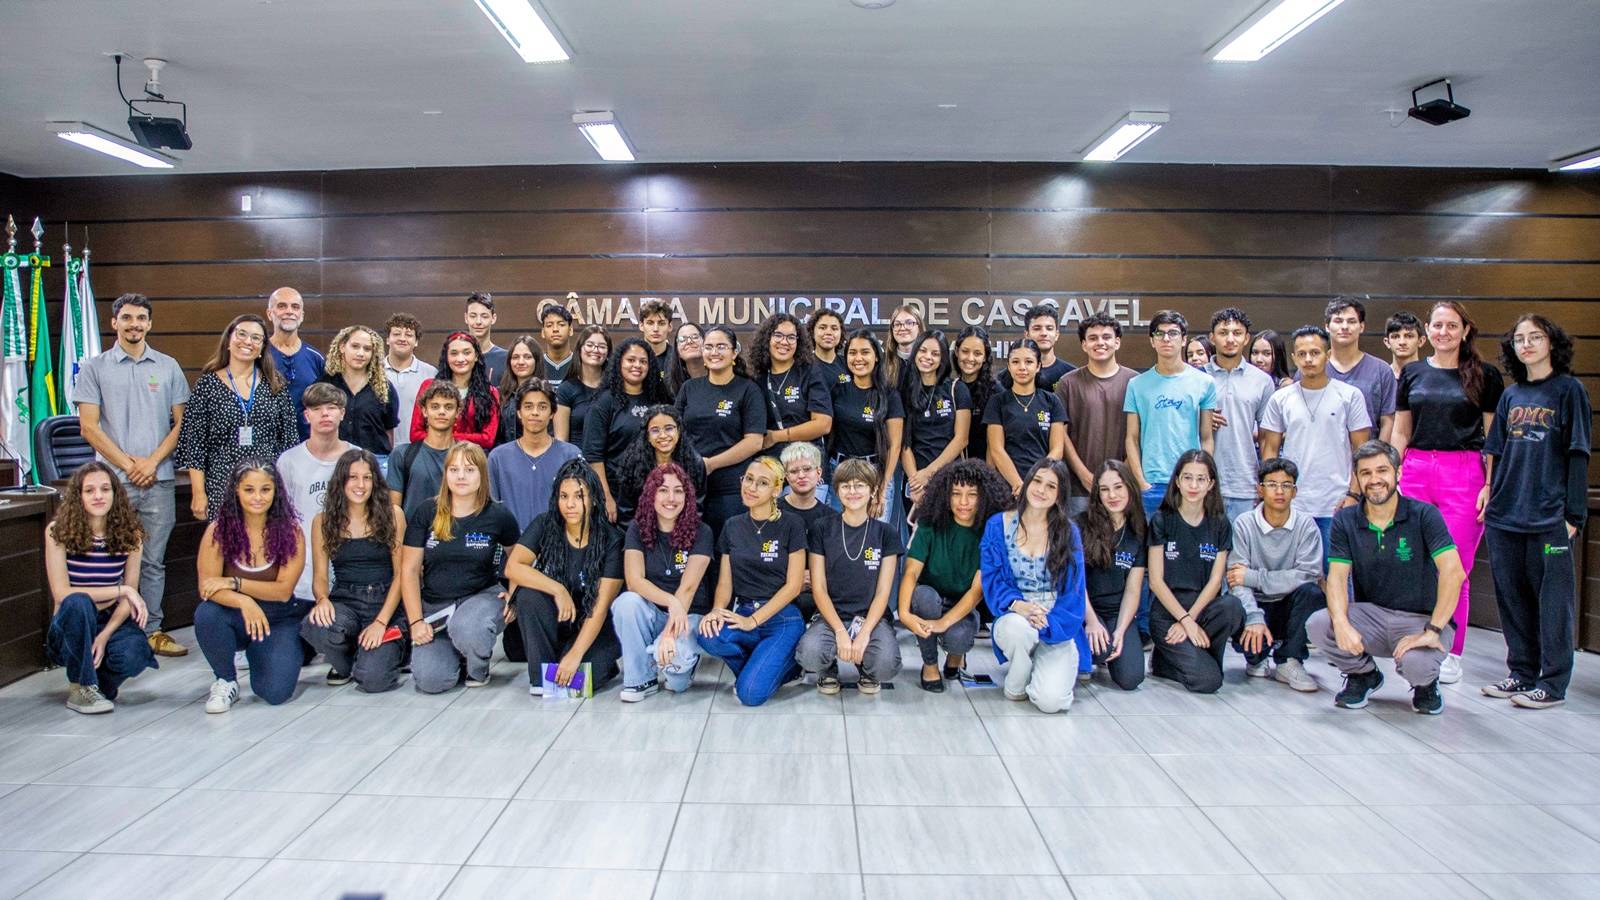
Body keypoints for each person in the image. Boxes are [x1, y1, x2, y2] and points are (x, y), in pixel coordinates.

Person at [1307, 441, 1467, 715]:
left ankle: (1426, 685)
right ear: (1356, 478)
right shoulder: (1346, 520)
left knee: (1418, 666)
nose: (1374, 480)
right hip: (1372, 615)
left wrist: (1433, 630)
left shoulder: (1424, 515)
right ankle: (1363, 675)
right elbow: (1336, 578)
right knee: (1319, 624)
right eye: (1365, 473)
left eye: (1382, 470)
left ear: (1398, 473)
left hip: (1420, 619)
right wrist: (1342, 623)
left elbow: (1454, 572)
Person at [1481, 315, 1591, 708]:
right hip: (1505, 516)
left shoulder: (1569, 391)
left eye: (1535, 337)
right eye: (1520, 339)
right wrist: (1490, 494)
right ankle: (1521, 673)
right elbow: (1496, 451)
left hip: (1550, 521)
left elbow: (1578, 452)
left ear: (1551, 343)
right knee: (1512, 598)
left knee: (1553, 601)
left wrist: (1573, 516)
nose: (1526, 344)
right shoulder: (1511, 395)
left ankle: (1553, 683)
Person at [1391, 301, 1504, 683]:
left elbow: (1493, 437)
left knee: (1455, 567)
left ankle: (1452, 650)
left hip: (1465, 472)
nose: (1444, 332)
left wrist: (1490, 483)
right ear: (1428, 329)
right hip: (1418, 468)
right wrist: (1394, 470)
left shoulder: (1485, 376)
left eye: (1451, 325)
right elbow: (1401, 430)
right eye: (1437, 325)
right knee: (1416, 562)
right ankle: (1416, 639)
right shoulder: (1413, 372)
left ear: (1465, 330)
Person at [72, 292, 189, 657]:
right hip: (110, 486)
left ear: (150, 323)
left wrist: (151, 463)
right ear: (114, 323)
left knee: (153, 559)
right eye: (127, 318)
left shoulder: (168, 366)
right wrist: (128, 465)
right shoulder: (94, 368)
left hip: (159, 479)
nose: (134, 324)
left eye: (141, 318)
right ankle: (112, 632)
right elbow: (89, 428)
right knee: (107, 558)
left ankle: (151, 630)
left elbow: (182, 425)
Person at [400, 442, 521, 693]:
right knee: (431, 681)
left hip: (482, 598)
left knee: (467, 628)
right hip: (436, 607)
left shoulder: (498, 514)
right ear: (446, 475)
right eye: (454, 470)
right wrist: (416, 622)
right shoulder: (427, 512)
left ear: (482, 475)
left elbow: (520, 559)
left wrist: (514, 594)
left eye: (469, 469)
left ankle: (477, 667)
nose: (461, 476)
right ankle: (458, 654)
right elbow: (409, 571)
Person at [193, 462, 311, 712]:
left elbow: (282, 591)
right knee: (207, 613)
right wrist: (244, 600)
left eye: (265, 489)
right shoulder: (218, 531)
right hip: (236, 614)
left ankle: (267, 651)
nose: (258, 497)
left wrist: (235, 583)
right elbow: (208, 587)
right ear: (236, 490)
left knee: (275, 692)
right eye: (249, 490)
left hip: (277, 617)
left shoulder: (291, 532)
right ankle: (225, 680)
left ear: (276, 491)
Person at [44, 462, 158, 714]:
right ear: (78, 496)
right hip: (70, 621)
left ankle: (98, 687)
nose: (98, 496)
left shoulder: (131, 534)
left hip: (107, 618)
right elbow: (62, 594)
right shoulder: (57, 532)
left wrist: (105, 635)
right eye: (90, 490)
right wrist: (123, 591)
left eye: (105, 489)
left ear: (115, 494)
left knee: (137, 652)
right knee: (79, 601)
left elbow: (130, 598)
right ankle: (81, 687)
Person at [505, 459, 625, 694]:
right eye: (564, 496)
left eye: (579, 496)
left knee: (577, 681)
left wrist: (575, 655)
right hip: (559, 622)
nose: (570, 504)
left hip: (597, 628)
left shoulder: (612, 539)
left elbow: (599, 608)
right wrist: (557, 590)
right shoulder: (545, 524)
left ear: (593, 499)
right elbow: (513, 567)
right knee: (528, 595)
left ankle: (593, 664)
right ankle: (542, 677)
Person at [697, 457, 808, 706]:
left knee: (750, 695)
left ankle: (788, 667)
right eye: (748, 479)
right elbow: (725, 583)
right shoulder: (732, 526)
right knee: (708, 635)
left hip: (782, 618)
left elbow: (793, 586)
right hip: (744, 609)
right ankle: (760, 663)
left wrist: (753, 621)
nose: (751, 487)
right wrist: (717, 610)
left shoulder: (792, 524)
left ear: (776, 490)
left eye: (762, 483)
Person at [981, 458, 1090, 713]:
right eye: (1037, 481)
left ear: (1060, 494)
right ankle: (1018, 679)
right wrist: (1019, 605)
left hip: (1055, 618)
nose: (1041, 490)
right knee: (1019, 631)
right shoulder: (998, 525)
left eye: (1051, 486)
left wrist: (1049, 621)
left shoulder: (1069, 532)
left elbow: (1074, 590)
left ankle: (1054, 660)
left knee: (1050, 703)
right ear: (1027, 482)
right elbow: (992, 579)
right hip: (1016, 611)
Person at [900, 459, 1010, 692]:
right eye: (956, 493)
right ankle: (930, 665)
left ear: (984, 497)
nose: (963, 502)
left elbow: (977, 591)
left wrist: (943, 623)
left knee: (958, 638)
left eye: (972, 494)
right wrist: (904, 613)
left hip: (964, 603)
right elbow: (911, 572)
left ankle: (954, 657)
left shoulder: (990, 531)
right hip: (930, 597)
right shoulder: (931, 523)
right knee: (924, 597)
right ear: (944, 495)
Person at [301, 449, 407, 692]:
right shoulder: (323, 520)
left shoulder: (393, 515)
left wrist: (381, 622)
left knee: (373, 680)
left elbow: (402, 575)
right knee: (314, 624)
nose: (361, 485)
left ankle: (381, 654)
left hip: (385, 602)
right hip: (346, 600)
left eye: (367, 478)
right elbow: (320, 576)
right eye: (353, 477)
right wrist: (322, 599)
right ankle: (350, 658)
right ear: (341, 481)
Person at [176, 314, 299, 522]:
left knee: (266, 548)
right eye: (241, 334)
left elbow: (288, 441)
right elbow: (194, 444)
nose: (247, 342)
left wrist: (285, 489)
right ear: (228, 341)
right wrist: (198, 493)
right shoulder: (207, 385)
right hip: (221, 484)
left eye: (256, 338)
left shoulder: (275, 384)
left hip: (266, 485)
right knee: (226, 549)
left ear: (262, 348)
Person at [1260, 326, 1372, 554]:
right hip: (1292, 502)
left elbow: (1362, 451)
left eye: (1315, 352)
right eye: (1301, 354)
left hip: (1337, 502)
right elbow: (1269, 451)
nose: (1308, 359)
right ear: (1293, 358)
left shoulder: (1350, 396)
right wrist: (1272, 493)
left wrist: (1353, 494)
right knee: (1297, 578)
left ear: (1328, 355)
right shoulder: (1280, 399)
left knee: (1337, 574)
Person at [796, 459, 903, 694]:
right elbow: (819, 589)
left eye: (860, 486)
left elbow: (884, 592)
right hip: (829, 616)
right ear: (837, 491)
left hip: (870, 618)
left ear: (873, 490)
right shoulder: (822, 528)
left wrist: (864, 634)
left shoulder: (886, 533)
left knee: (886, 666)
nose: (852, 492)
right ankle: (828, 670)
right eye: (845, 486)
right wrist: (840, 632)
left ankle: (867, 668)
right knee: (809, 655)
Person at [1146, 450, 1246, 694]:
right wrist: (1184, 620)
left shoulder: (1220, 522)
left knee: (1231, 607)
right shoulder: (1162, 520)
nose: (1193, 485)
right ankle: (1168, 660)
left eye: (1201, 479)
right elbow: (1156, 582)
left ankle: (1189, 659)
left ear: (1211, 484)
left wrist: (1191, 619)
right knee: (1208, 682)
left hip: (1201, 609)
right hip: (1168, 614)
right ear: (1177, 481)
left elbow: (1215, 582)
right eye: (1187, 478)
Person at [611, 463, 712, 701]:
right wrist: (670, 602)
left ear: (687, 497)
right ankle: (640, 679)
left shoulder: (702, 531)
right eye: (663, 490)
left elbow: (687, 589)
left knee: (674, 682)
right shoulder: (637, 528)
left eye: (678, 491)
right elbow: (635, 581)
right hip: (653, 613)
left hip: (688, 617)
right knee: (627, 602)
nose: (671, 498)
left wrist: (668, 634)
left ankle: (680, 662)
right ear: (651, 495)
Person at [1227, 458, 1326, 692]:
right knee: (1232, 603)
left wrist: (1255, 577)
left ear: (1295, 491)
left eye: (1286, 485)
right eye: (1272, 484)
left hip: (1289, 604)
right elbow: (1235, 580)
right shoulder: (1244, 524)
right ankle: (1256, 657)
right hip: (1258, 605)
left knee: (1312, 593)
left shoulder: (1306, 526)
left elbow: (1309, 575)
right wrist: (1254, 618)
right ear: (1260, 489)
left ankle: (1289, 660)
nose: (1279, 491)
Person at [1125, 311, 1218, 520]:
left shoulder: (1205, 383)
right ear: (1152, 341)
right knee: (1152, 549)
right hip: (1151, 483)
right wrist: (1141, 482)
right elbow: (1131, 437)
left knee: (1186, 549)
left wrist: (1202, 478)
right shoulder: (1136, 385)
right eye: (1160, 334)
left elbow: (1206, 438)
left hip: (1189, 482)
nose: (1166, 339)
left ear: (1184, 340)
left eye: (1173, 333)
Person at [677, 325, 767, 535]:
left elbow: (754, 441)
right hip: (690, 485)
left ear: (734, 352)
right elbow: (676, 433)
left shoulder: (748, 389)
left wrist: (710, 464)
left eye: (721, 347)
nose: (714, 352)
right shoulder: (689, 388)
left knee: (728, 551)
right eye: (708, 347)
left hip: (732, 489)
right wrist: (695, 466)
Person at [277, 383, 354, 608]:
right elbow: (281, 518)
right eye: (318, 408)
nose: (325, 414)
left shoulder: (358, 457)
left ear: (342, 413)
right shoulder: (288, 460)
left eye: (331, 407)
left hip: (347, 568)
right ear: (306, 415)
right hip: (301, 570)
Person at [1076, 460, 1147, 692]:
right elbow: (1076, 582)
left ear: (1129, 487)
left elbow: (1133, 589)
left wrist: (1121, 630)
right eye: (1104, 489)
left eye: (1118, 487)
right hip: (1084, 610)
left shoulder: (1138, 529)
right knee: (1100, 649)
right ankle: (1088, 656)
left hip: (1117, 612)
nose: (1112, 495)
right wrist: (1092, 621)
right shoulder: (1081, 525)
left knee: (1131, 679)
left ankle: (1101, 649)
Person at [1058, 314, 1139, 518]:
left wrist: (1122, 475)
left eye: (1106, 337)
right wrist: (1085, 476)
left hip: (1122, 487)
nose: (1100, 342)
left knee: (1120, 547)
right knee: (1080, 547)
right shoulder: (1068, 383)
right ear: (1084, 345)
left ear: (1117, 342)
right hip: (1078, 489)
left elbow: (1140, 434)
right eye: (1093, 338)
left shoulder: (1135, 382)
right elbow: (1061, 435)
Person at [584, 338, 673, 522]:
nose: (637, 365)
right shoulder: (604, 402)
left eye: (643, 361)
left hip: (656, 490)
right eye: (631, 360)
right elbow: (594, 456)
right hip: (617, 494)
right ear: (619, 363)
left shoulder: (659, 398)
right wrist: (606, 498)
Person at [1203, 308, 1275, 523]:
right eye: (1223, 332)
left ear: (1246, 338)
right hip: (1203, 483)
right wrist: (1202, 420)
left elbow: (1267, 438)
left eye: (1237, 332)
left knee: (1241, 555)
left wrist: (1265, 482)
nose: (1230, 339)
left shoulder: (1262, 381)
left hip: (1246, 483)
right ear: (1212, 337)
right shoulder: (1196, 378)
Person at [829, 329, 905, 522]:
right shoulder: (838, 390)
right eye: (852, 353)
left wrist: (883, 486)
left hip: (874, 476)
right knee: (841, 539)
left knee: (873, 541)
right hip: (839, 473)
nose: (858, 358)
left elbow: (895, 445)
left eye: (865, 352)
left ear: (876, 357)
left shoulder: (889, 395)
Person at [488, 379, 584, 530]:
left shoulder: (571, 456)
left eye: (542, 406)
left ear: (552, 413)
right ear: (519, 412)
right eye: (528, 406)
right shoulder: (498, 458)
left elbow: (580, 508)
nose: (535, 412)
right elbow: (492, 511)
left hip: (558, 545)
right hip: (512, 549)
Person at [899, 330, 972, 512]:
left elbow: (961, 439)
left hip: (950, 479)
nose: (927, 357)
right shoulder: (905, 391)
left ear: (943, 359)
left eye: (935, 353)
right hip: (916, 482)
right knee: (918, 538)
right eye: (923, 351)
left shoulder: (956, 388)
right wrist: (915, 481)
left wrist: (929, 474)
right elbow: (904, 443)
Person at [1312, 297, 1398, 444]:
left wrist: (1377, 457)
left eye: (1351, 321)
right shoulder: (1311, 369)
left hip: (1367, 460)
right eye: (1338, 321)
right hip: (1320, 457)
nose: (1344, 327)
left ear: (1362, 326)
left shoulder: (1381, 370)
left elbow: (1387, 421)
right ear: (1327, 326)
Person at [985, 339, 1067, 493]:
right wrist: (1018, 485)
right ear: (1009, 366)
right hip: (1007, 486)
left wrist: (1035, 482)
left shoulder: (1052, 401)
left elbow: (1057, 450)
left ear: (1038, 366)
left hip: (1043, 486)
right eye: (1015, 362)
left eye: (1029, 362)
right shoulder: (997, 402)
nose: (1022, 367)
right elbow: (996, 449)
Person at [751, 312, 833, 464]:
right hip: (772, 466)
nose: (784, 342)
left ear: (798, 341)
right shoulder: (758, 378)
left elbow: (823, 424)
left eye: (791, 337)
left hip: (807, 465)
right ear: (767, 339)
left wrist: (777, 436)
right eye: (778, 335)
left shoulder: (809, 371)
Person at [614, 405, 707, 524]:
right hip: (641, 534)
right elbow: (626, 512)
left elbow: (696, 509)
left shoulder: (695, 463)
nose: (663, 435)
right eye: (655, 430)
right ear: (647, 436)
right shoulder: (633, 464)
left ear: (679, 430)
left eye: (669, 428)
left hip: (682, 533)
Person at [319, 325, 399, 462]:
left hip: (376, 462)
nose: (361, 353)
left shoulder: (385, 389)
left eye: (367, 349)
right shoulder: (325, 385)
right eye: (355, 346)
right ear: (342, 347)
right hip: (334, 461)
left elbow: (389, 431)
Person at [408, 331, 500, 450]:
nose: (460, 359)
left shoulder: (490, 393)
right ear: (446, 357)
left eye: (466, 353)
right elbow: (415, 434)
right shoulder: (429, 386)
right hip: (432, 457)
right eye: (454, 353)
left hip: (471, 460)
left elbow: (488, 439)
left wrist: (443, 436)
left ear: (476, 356)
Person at [387, 382, 460, 515]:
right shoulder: (402, 455)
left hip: (455, 532)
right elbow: (394, 511)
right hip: (412, 533)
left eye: (448, 407)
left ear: (457, 412)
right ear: (424, 411)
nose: (441, 412)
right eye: (435, 407)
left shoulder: (467, 456)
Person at [264, 287, 326, 441]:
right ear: (270, 314)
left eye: (295, 307)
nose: (289, 311)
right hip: (265, 446)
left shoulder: (316, 358)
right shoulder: (259, 355)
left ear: (302, 315)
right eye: (281, 306)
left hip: (307, 445)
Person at [384, 312, 437, 451]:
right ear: (387, 339)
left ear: (416, 341)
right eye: (396, 334)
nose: (402, 339)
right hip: (381, 452)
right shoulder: (373, 373)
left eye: (408, 335)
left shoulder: (431, 374)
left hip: (420, 450)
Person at [555, 325, 610, 449]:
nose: (595, 350)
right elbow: (561, 441)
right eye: (590, 345)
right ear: (580, 349)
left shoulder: (613, 389)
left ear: (608, 353)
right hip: (577, 462)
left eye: (601, 346)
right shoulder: (566, 389)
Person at [999, 305, 1075, 391]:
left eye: (1049, 328)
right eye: (1037, 328)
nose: (1044, 333)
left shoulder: (1072, 375)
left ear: (1056, 335)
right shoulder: (1005, 378)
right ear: (1027, 335)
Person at [953, 325, 999, 466]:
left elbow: (996, 445)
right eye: (965, 351)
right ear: (956, 352)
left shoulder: (996, 392)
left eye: (977, 353)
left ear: (985, 356)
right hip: (954, 470)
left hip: (984, 470)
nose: (970, 358)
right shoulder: (950, 388)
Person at [495, 335, 541, 445]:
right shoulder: (498, 394)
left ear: (536, 361)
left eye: (527, 357)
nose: (521, 362)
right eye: (515, 357)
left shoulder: (548, 394)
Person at [464, 292, 507, 384]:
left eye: (484, 316)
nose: (478, 321)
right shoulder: (457, 358)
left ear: (493, 318)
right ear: (466, 318)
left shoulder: (505, 359)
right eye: (473, 316)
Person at [883, 303, 926, 388]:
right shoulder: (882, 363)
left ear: (919, 327)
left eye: (909, 323)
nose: (902, 328)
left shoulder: (928, 361)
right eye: (897, 324)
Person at [638, 298, 676, 389]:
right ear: (641, 326)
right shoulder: (630, 358)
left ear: (669, 326)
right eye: (650, 323)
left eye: (661, 323)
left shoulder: (677, 358)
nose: (655, 329)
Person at [536, 303, 576, 387]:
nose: (555, 329)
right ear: (543, 332)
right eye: (549, 325)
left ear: (570, 330)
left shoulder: (580, 365)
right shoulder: (536, 366)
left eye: (561, 325)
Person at [809, 308, 848, 388]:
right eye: (822, 328)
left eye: (834, 328)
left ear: (841, 333)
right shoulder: (805, 366)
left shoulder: (848, 364)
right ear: (812, 332)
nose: (828, 332)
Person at [1384, 310, 1427, 380]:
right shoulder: (1380, 378)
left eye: (1409, 336)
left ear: (1421, 341)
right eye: (1395, 336)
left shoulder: (1431, 377)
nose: (1402, 342)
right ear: (1387, 342)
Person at [669, 322, 707, 392]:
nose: (689, 341)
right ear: (677, 351)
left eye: (695, 337)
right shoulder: (672, 385)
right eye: (682, 339)